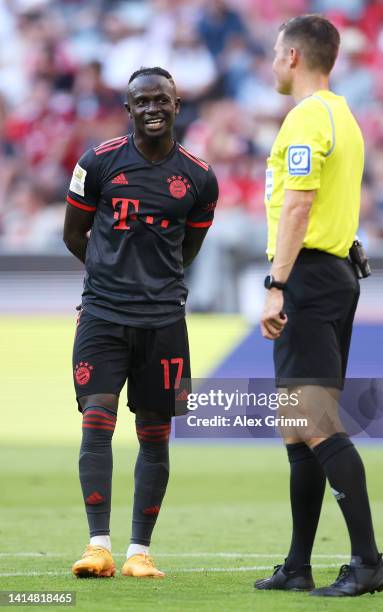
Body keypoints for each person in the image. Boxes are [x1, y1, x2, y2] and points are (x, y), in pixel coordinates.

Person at [63, 67, 218, 578]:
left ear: (177, 106)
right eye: (142, 101)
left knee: (155, 435)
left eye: (163, 100)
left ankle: (139, 553)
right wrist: (111, 279)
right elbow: (73, 235)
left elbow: (188, 247)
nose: (153, 108)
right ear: (128, 110)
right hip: (103, 317)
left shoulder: (199, 177)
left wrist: (154, 283)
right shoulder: (98, 162)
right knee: (96, 422)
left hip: (164, 322)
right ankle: (97, 546)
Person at [256, 16, 383, 597]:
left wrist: (276, 282)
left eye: (272, 54)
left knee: (314, 422)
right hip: (334, 273)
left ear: (291, 56)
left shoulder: (308, 117)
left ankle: (367, 562)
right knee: (297, 427)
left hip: (308, 278)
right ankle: (298, 564)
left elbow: (298, 206)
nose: (270, 63)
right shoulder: (344, 115)